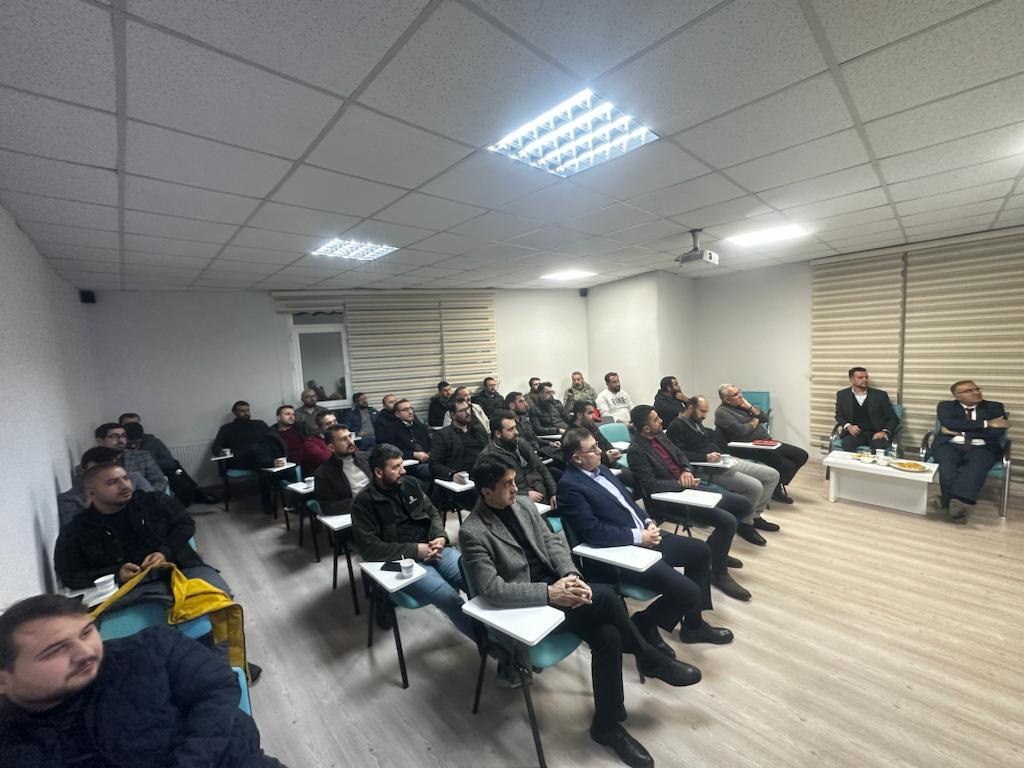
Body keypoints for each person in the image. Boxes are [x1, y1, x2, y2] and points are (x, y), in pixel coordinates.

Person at [460, 457, 701, 768]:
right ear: (486, 493)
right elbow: (493, 590)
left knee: (608, 635)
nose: (516, 488)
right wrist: (550, 593)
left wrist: (570, 575)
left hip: (560, 589)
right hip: (527, 607)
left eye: (515, 480)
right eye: (507, 484)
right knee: (607, 597)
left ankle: (606, 726)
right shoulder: (473, 531)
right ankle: (647, 657)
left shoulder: (523, 505)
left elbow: (554, 544)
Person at [0, 595, 286, 767]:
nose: (84, 652)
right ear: (3, 680)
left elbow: (217, 686)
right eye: (55, 650)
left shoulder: (151, 649)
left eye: (86, 632)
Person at [557, 428, 733, 654]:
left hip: (644, 537)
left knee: (701, 551)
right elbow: (593, 532)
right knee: (689, 592)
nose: (600, 451)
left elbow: (629, 503)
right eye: (593, 449)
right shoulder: (569, 486)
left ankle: (693, 626)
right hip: (619, 554)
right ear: (577, 458)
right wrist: (639, 536)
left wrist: (648, 522)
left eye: (597, 445)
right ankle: (644, 623)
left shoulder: (601, 470)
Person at [627, 405, 753, 602]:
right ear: (645, 429)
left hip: (690, 487)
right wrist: (679, 483)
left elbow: (681, 455)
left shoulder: (661, 436)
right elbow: (650, 486)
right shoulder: (636, 451)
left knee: (743, 504)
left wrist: (686, 470)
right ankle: (718, 572)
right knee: (727, 521)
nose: (661, 421)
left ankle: (715, 552)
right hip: (669, 500)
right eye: (656, 419)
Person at [351, 444, 473, 638]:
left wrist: (440, 537)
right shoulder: (363, 503)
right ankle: (492, 646)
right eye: (396, 467)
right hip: (403, 562)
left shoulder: (410, 483)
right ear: (379, 472)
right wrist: (415, 550)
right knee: (449, 597)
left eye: (402, 464)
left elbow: (432, 512)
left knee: (474, 580)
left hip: (434, 547)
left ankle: (502, 637)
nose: (403, 470)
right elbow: (370, 549)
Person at [53, 462, 230, 595]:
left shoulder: (154, 501)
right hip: (127, 588)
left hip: (180, 568)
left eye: (126, 478)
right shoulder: (77, 529)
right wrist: (116, 574)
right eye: (112, 482)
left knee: (218, 598)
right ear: (91, 492)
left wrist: (164, 552)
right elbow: (70, 575)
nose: (124, 485)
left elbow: (185, 524)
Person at [667, 396, 781, 546]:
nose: (704, 415)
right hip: (706, 469)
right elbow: (678, 454)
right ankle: (745, 524)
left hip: (721, 461)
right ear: (690, 408)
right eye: (702, 411)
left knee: (772, 475)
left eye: (706, 411)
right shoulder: (676, 426)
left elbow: (706, 443)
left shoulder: (696, 422)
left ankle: (755, 516)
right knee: (755, 487)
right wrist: (705, 457)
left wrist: (720, 455)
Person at [715, 384, 809, 503]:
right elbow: (742, 431)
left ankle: (775, 485)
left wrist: (750, 407)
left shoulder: (743, 406)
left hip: (766, 442)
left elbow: (764, 418)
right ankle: (775, 489)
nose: (741, 396)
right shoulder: (722, 412)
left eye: (740, 392)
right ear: (727, 399)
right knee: (787, 466)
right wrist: (754, 420)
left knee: (801, 455)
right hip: (749, 447)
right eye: (736, 394)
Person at [932, 380, 1010, 524]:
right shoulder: (945, 406)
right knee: (947, 466)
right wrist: (987, 423)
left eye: (977, 389)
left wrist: (960, 432)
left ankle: (953, 501)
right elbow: (950, 423)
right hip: (950, 444)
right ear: (957, 396)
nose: (976, 392)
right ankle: (955, 504)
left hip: (983, 446)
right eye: (969, 391)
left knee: (976, 465)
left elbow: (996, 432)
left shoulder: (994, 407)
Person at [119, 413, 218, 505]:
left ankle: (192, 494)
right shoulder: (119, 445)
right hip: (137, 478)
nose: (133, 428)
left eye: (136, 424)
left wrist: (150, 462)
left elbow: (170, 462)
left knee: (177, 471)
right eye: (128, 425)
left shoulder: (152, 441)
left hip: (160, 471)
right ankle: (195, 493)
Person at [477, 410, 557, 507]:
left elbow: (541, 467)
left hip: (542, 492)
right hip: (517, 502)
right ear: (498, 433)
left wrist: (553, 492)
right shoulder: (489, 457)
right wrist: (525, 494)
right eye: (511, 429)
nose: (516, 432)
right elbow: (496, 490)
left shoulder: (520, 443)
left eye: (515, 427)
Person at [58, 447, 154, 528]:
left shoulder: (134, 479)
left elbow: (152, 507)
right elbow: (74, 530)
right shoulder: (69, 499)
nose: (123, 484)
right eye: (97, 472)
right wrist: (91, 504)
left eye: (111, 468)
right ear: (84, 472)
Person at [429, 399, 489, 506]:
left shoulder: (479, 430)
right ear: (453, 415)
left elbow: (489, 452)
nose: (467, 413)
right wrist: (452, 475)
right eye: (462, 411)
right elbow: (434, 464)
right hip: (465, 479)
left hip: (484, 473)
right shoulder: (443, 435)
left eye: (468, 409)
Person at [570, 400, 636, 491]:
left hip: (610, 465)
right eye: (590, 413)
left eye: (594, 412)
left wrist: (614, 452)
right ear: (579, 415)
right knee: (638, 480)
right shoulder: (573, 436)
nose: (594, 416)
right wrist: (606, 457)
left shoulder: (592, 426)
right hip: (596, 473)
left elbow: (605, 442)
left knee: (639, 474)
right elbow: (585, 462)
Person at [835, 367, 900, 453]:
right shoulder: (842, 395)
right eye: (860, 377)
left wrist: (884, 432)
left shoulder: (880, 395)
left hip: (876, 434)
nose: (865, 380)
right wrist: (848, 426)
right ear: (851, 380)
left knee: (879, 446)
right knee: (847, 443)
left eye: (866, 377)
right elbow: (839, 415)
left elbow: (893, 418)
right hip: (855, 434)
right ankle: (854, 462)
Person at [92, 422, 168, 493]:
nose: (121, 440)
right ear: (100, 441)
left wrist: (147, 495)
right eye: (114, 436)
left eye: (123, 436)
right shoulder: (92, 460)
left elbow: (160, 480)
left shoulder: (141, 456)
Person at [313, 424, 371, 516]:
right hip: (357, 512)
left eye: (350, 436)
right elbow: (327, 507)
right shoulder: (323, 473)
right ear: (331, 447)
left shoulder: (368, 457)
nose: (350, 441)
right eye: (343, 439)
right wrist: (361, 502)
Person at [373, 399, 432, 483]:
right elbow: (390, 453)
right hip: (408, 465)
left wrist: (430, 453)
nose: (410, 412)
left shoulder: (421, 427)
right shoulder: (390, 429)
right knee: (435, 470)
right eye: (405, 410)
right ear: (397, 414)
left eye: (411, 408)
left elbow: (430, 445)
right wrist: (413, 454)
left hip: (428, 460)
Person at [269, 404, 330, 477]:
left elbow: (313, 440)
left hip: (309, 460)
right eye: (287, 414)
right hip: (289, 466)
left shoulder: (301, 427)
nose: (291, 416)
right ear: (278, 417)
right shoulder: (272, 434)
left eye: (293, 414)